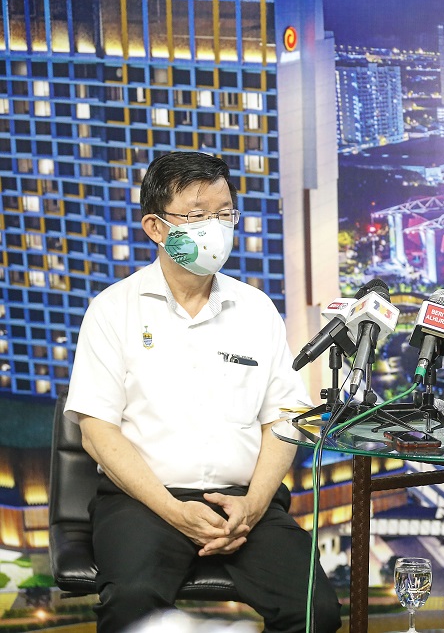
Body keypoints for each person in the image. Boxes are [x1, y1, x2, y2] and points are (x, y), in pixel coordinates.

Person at [64, 152, 342, 633]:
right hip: (143, 502)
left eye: (224, 213)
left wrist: (252, 508)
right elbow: (97, 432)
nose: (215, 228)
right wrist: (175, 511)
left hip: (244, 503)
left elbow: (284, 419)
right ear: (155, 226)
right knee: (131, 603)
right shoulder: (113, 310)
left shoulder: (255, 310)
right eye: (197, 216)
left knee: (316, 611)